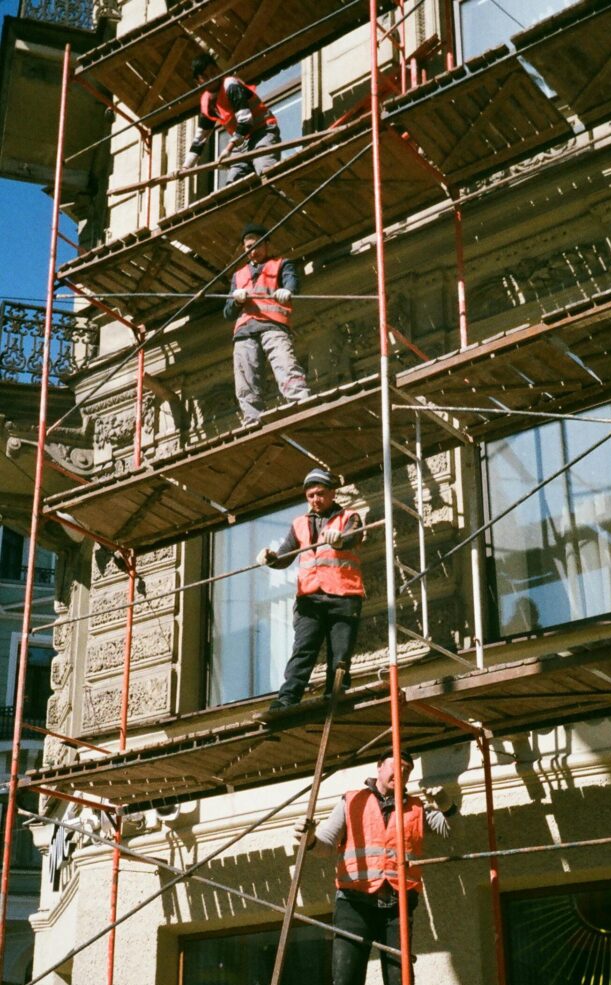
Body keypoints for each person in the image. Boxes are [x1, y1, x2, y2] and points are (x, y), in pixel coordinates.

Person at [294, 749, 456, 985]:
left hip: (397, 904)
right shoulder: (352, 801)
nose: (401, 773)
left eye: (407, 770)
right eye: (396, 766)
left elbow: (448, 830)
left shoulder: (416, 808)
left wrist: (446, 804)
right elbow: (325, 845)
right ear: (379, 767)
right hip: (354, 904)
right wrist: (309, 839)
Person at [256, 468, 364, 713]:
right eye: (311, 495)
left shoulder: (350, 516)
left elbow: (352, 537)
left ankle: (335, 694)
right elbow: (286, 554)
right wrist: (271, 557)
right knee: (303, 650)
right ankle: (287, 698)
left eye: (321, 493)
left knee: (340, 653)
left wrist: (340, 538)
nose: (315, 499)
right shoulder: (299, 524)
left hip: (343, 595)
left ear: (333, 493)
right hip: (310, 598)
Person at [224, 223, 311, 425]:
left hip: (273, 326)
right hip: (245, 331)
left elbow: (292, 283)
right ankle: (252, 419)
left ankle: (300, 399)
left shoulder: (282, 264)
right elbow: (228, 313)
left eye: (256, 246)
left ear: (267, 245)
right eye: (248, 248)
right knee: (246, 378)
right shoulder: (238, 276)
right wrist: (236, 301)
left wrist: (287, 291)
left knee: (285, 364)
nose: (252, 251)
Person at [180, 53, 281, 183]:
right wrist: (186, 167)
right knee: (233, 186)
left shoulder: (230, 85)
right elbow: (200, 139)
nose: (211, 77)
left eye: (213, 71)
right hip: (241, 143)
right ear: (198, 82)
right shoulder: (206, 102)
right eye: (205, 76)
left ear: (218, 69)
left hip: (262, 132)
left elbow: (245, 120)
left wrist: (228, 148)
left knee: (267, 174)